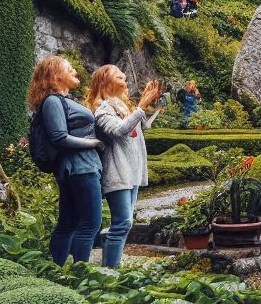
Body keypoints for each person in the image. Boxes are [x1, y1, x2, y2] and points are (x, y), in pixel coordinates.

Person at [27, 55, 104, 266]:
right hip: (80, 167)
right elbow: (59, 137)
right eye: (70, 69)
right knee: (90, 223)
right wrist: (94, 143)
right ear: (56, 76)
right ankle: (80, 273)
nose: (75, 72)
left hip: (79, 167)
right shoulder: (52, 101)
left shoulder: (64, 100)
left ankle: (56, 271)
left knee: (68, 222)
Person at [87, 67, 163, 268]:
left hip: (131, 172)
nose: (124, 75)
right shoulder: (103, 109)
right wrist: (141, 106)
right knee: (122, 223)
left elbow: (140, 127)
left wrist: (147, 106)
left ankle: (111, 265)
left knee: (124, 224)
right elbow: (119, 130)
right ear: (105, 82)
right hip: (118, 171)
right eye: (117, 74)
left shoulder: (122, 106)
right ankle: (110, 270)